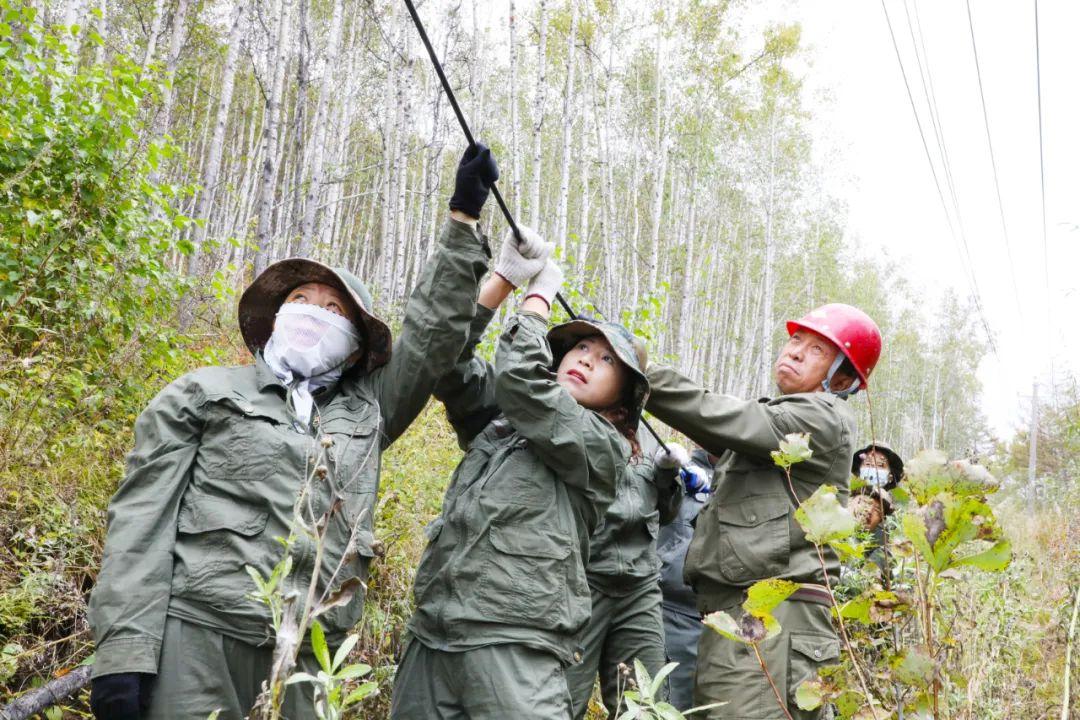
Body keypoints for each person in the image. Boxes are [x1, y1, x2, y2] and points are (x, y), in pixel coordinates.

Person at [86, 144, 500, 720]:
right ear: (275, 320)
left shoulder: (370, 410)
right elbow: (140, 523)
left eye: (333, 308)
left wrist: (462, 221)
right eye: (299, 300)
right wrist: (124, 653)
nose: (312, 311)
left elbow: (432, 336)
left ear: (356, 342)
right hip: (199, 639)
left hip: (313, 655)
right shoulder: (200, 393)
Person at [389, 249, 651, 719]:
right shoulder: (507, 418)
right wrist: (502, 281)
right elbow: (447, 366)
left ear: (623, 400)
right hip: (435, 630)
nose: (587, 360)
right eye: (580, 349)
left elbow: (525, 382)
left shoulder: (601, 444)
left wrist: (539, 298)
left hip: (515, 639)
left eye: (606, 359)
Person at [644, 303, 882, 720]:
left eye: (816, 351)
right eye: (795, 340)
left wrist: (636, 368)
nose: (794, 352)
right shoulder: (787, 419)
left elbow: (725, 416)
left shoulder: (822, 415)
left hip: (774, 621)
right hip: (745, 617)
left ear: (842, 378)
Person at [564, 436, 686, 719]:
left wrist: (666, 476)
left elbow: (663, 514)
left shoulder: (639, 429)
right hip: (579, 578)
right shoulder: (572, 416)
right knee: (559, 701)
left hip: (639, 584)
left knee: (647, 706)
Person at [655, 447, 716, 711]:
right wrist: (668, 474)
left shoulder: (760, 478)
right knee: (673, 706)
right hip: (678, 615)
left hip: (739, 622)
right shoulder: (680, 471)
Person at [848, 442, 905, 572]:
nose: (873, 469)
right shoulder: (845, 500)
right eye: (868, 464)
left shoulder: (895, 516)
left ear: (890, 476)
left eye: (880, 466)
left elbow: (895, 555)